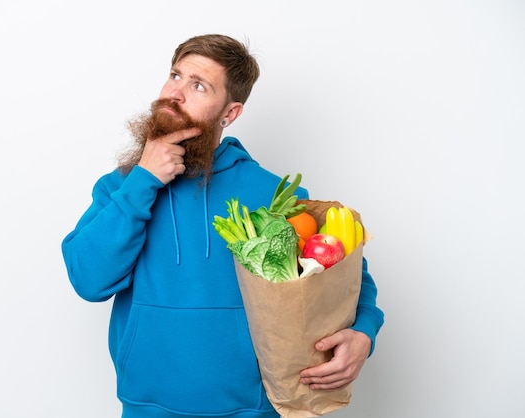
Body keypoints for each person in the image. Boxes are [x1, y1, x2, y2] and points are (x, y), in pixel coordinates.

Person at [61, 34, 384, 418]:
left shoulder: (269, 193)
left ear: (229, 114)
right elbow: (89, 281)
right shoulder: (121, 187)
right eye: (175, 75)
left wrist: (364, 330)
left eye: (198, 86)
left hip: (253, 409)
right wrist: (144, 180)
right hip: (148, 408)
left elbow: (340, 270)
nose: (175, 94)